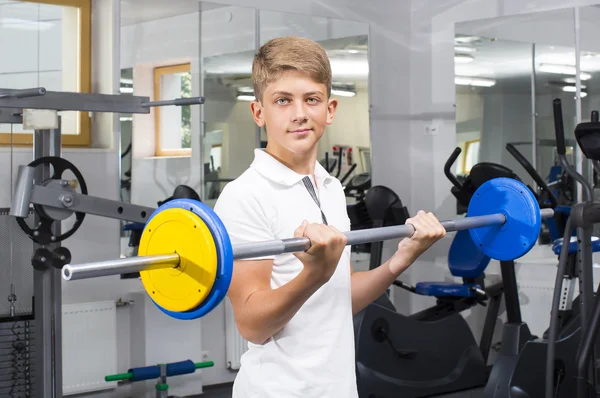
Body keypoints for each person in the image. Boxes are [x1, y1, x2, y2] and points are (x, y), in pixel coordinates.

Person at [213, 36, 446, 398]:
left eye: (311, 99)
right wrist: (314, 273)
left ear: (330, 109)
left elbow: (340, 297)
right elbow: (253, 325)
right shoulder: (244, 195)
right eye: (282, 101)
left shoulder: (330, 187)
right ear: (259, 112)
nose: (299, 113)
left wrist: (401, 260)